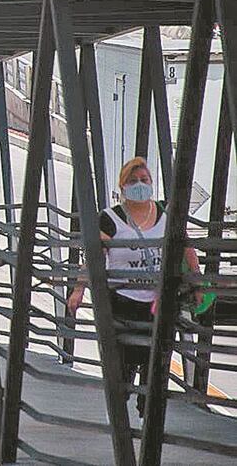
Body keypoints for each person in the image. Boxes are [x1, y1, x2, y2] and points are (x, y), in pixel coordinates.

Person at [68, 157, 201, 418]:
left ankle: (148, 412)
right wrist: (78, 289)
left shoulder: (166, 215)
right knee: (123, 363)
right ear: (123, 186)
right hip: (122, 302)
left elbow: (187, 249)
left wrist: (197, 282)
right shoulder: (110, 218)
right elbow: (94, 257)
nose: (139, 185)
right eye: (133, 181)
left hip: (158, 303)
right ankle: (122, 407)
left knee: (154, 362)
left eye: (144, 180)